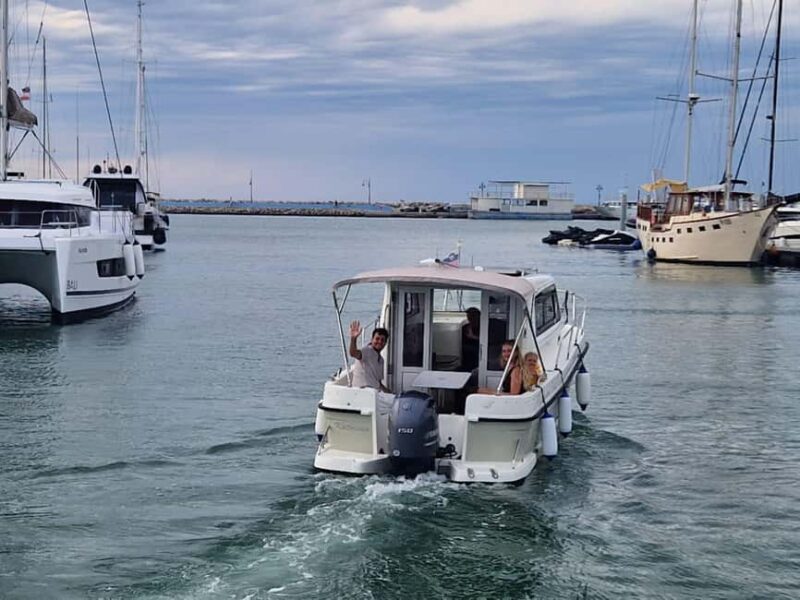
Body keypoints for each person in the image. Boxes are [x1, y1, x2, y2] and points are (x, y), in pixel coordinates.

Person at [349, 320, 390, 392]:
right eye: (377, 339)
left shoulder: (381, 360)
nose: (379, 342)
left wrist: (389, 392)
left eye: (382, 340)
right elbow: (353, 353)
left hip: (375, 393)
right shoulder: (367, 351)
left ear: (385, 343)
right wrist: (353, 339)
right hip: (363, 392)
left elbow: (378, 383)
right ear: (372, 339)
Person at [461, 307, 480, 371]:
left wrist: (473, 337)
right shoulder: (465, 327)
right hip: (467, 354)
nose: (470, 318)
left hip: (479, 350)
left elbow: (486, 341)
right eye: (468, 316)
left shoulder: (483, 326)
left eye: (473, 316)